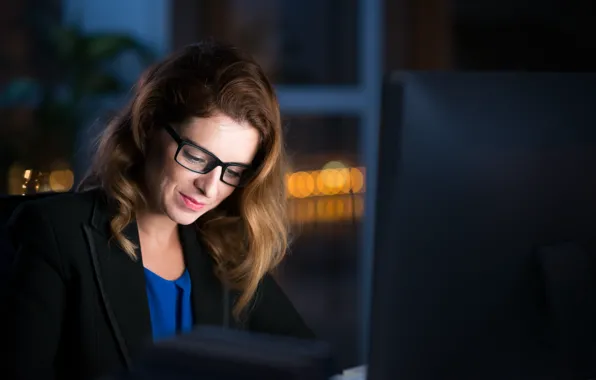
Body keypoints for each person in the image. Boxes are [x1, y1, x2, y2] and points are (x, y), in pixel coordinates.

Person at [4, 40, 315, 380]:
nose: (211, 188)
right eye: (197, 158)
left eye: (234, 171)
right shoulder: (57, 232)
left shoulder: (224, 249)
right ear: (149, 126)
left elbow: (312, 362)